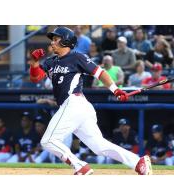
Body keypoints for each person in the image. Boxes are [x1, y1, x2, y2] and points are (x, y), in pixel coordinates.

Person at [29, 26, 152, 175]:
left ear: (66, 41)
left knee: (48, 140)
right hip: (74, 108)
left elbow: (100, 73)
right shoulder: (50, 62)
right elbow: (35, 78)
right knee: (99, 146)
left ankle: (80, 166)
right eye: (52, 40)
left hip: (74, 104)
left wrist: (115, 90)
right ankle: (137, 162)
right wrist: (34, 61)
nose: (52, 43)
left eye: (56, 39)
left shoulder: (77, 57)